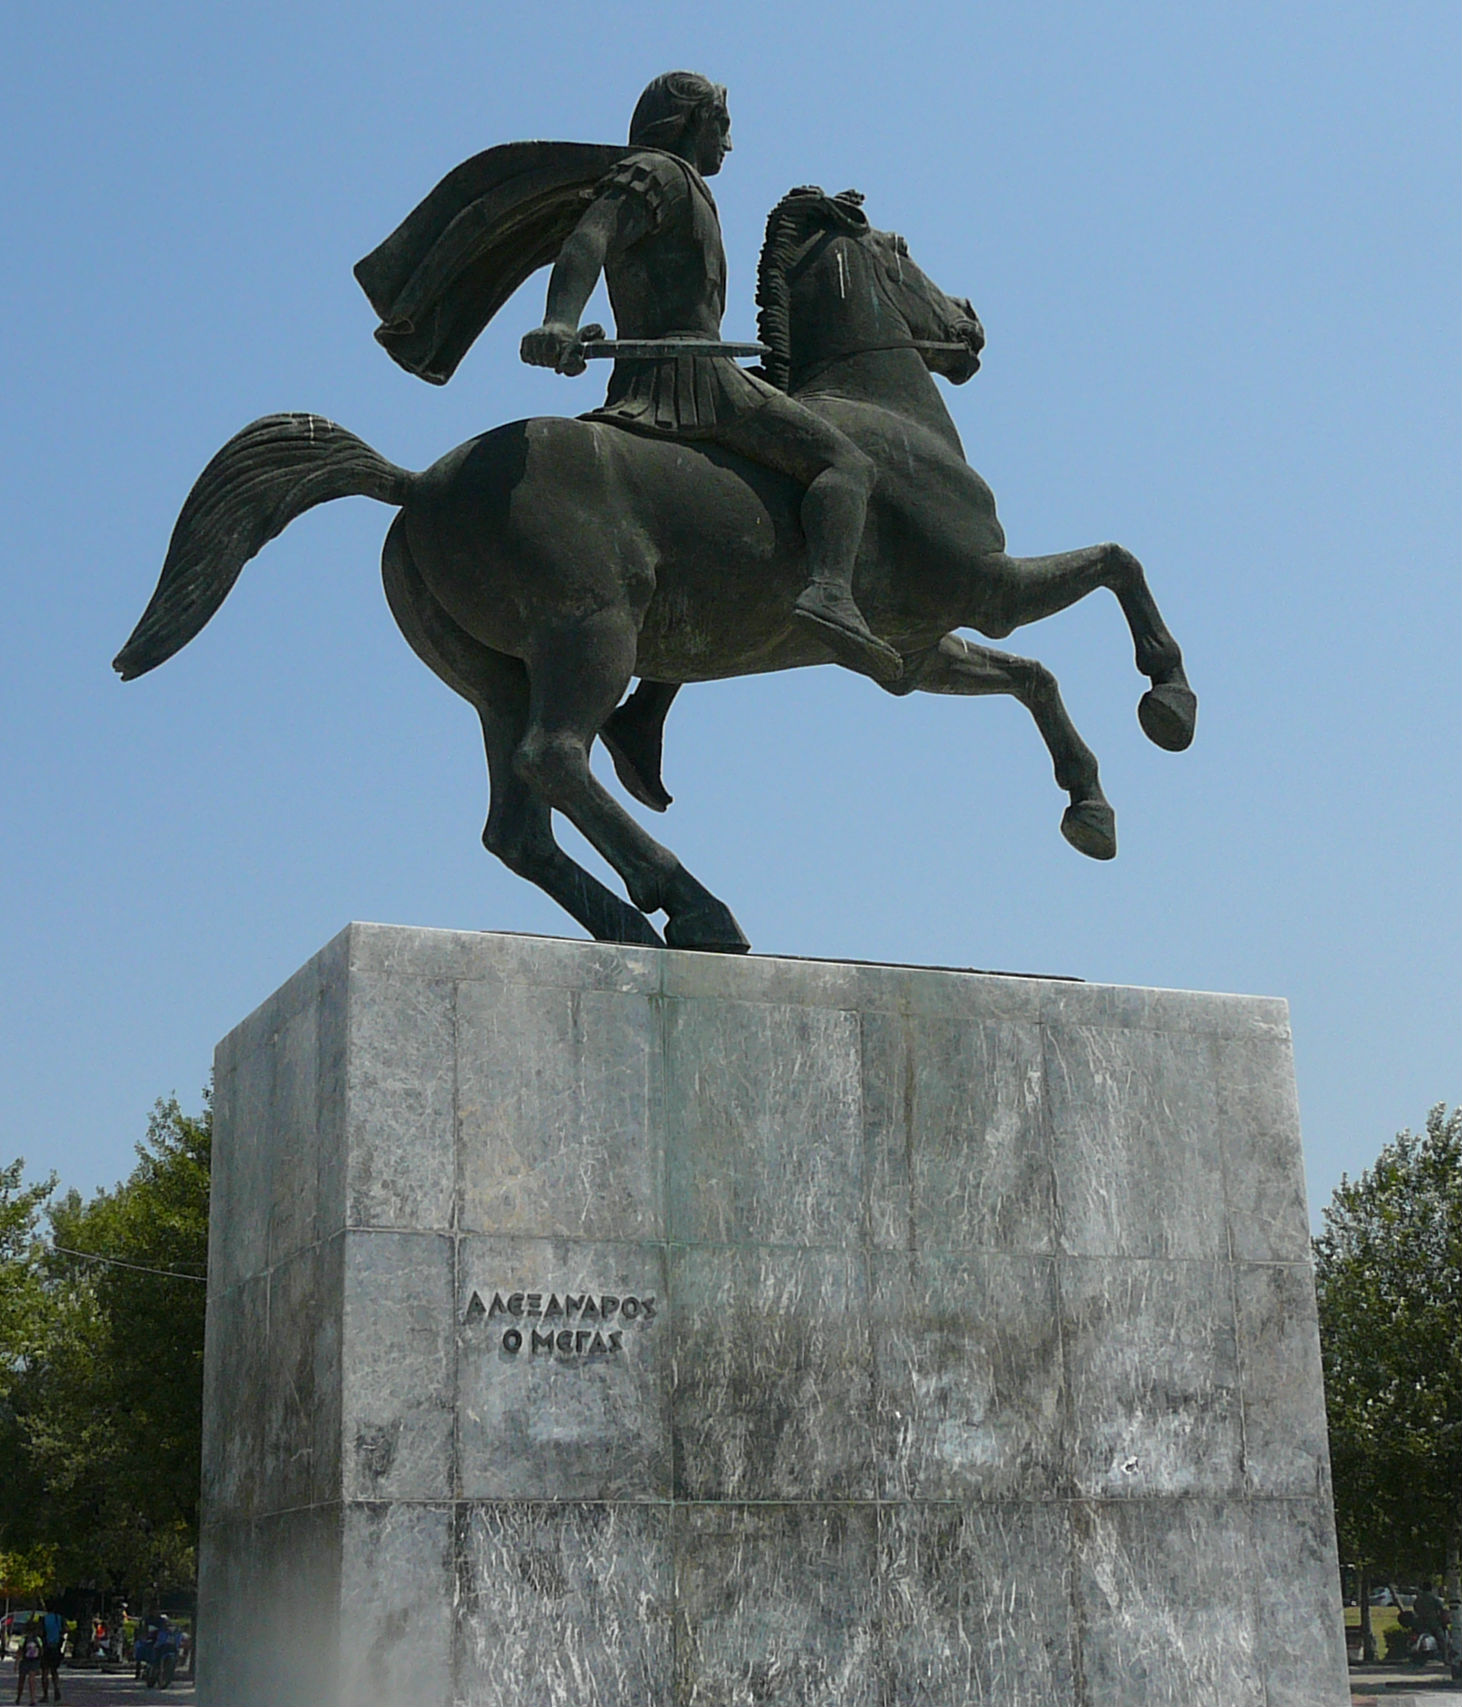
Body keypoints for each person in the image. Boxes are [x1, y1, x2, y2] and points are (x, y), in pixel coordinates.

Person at [519, 71, 901, 686]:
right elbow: (588, 238)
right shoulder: (658, 174)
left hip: (672, 374)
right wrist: (559, 319)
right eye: (722, 125)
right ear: (692, 122)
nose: (729, 141)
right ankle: (830, 593)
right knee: (847, 465)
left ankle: (647, 705)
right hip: (694, 380)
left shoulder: (682, 184)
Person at [14, 1622, 40, 1707]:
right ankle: (32, 1699)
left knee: (21, 1680)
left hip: (25, 1661)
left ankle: (18, 1697)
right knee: (32, 1681)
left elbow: (19, 1652)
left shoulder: (23, 1639)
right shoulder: (38, 1639)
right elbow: (41, 1651)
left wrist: (16, 1664)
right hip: (34, 1661)